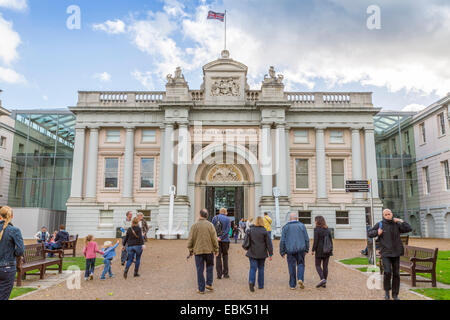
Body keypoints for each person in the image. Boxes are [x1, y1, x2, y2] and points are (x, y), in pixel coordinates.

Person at [368, 209, 412, 300]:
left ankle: (395, 294)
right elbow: (369, 233)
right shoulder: (380, 224)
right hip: (386, 253)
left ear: (392, 214)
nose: (388, 215)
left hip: (396, 253)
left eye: (389, 214)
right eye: (386, 214)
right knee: (387, 272)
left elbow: (409, 228)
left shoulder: (397, 224)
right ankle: (387, 292)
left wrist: (400, 220)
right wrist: (377, 232)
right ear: (383, 216)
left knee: (396, 274)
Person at [187, 209, 219, 294]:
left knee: (199, 270)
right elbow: (214, 239)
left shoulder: (194, 226)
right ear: (206, 216)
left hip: (198, 251)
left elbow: (190, 239)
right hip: (209, 251)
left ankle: (201, 289)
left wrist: (190, 250)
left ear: (200, 214)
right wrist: (216, 249)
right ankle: (209, 283)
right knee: (210, 267)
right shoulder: (210, 225)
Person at [280, 212, 310, 290]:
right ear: (297, 218)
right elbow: (306, 238)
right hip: (301, 249)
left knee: (291, 266)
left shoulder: (285, 227)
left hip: (290, 250)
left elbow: (282, 240)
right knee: (301, 264)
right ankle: (300, 278)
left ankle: (292, 285)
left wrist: (282, 251)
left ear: (290, 219)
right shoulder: (302, 226)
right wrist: (307, 249)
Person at [243, 216, 273, 292]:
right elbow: (269, 243)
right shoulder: (264, 231)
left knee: (253, 268)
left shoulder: (251, 230)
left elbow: (247, 241)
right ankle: (260, 285)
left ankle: (251, 282)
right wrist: (270, 253)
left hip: (252, 252)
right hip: (262, 253)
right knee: (261, 268)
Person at [0, 206, 24, 300]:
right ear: (12, 216)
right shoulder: (14, 230)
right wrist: (12, 253)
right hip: (7, 268)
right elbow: (20, 250)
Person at [311, 216, 333, 288]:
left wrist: (313, 250)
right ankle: (324, 283)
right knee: (325, 266)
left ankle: (322, 279)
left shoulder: (316, 230)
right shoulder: (327, 229)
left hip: (319, 250)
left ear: (317, 221)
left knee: (317, 265)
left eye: (315, 220)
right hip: (327, 250)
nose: (315, 222)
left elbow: (316, 241)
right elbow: (330, 240)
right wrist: (331, 249)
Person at [211, 207, 231, 279]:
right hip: (225, 240)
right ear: (225, 212)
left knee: (218, 257)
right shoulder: (228, 219)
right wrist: (222, 237)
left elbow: (212, 229)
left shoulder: (214, 218)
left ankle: (219, 275)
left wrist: (217, 237)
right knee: (225, 256)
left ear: (219, 212)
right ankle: (225, 273)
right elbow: (228, 230)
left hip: (216, 240)